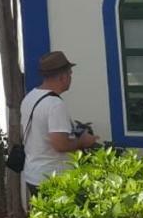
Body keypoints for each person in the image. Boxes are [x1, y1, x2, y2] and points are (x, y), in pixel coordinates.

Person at [21, 51, 98, 198]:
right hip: (52, 177)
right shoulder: (55, 104)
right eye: (70, 74)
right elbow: (60, 145)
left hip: (33, 172)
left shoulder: (30, 97)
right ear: (63, 77)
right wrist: (83, 142)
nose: (71, 78)